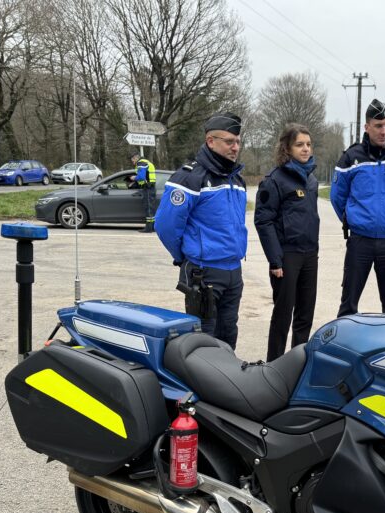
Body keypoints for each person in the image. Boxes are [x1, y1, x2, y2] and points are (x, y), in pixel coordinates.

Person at [154, 112, 247, 350]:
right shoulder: (189, 178)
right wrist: (185, 257)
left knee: (228, 337)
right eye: (229, 142)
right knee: (203, 342)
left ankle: (227, 384)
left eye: (237, 141)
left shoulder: (237, 180)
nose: (235, 147)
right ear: (210, 141)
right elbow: (165, 226)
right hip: (204, 274)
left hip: (233, 272)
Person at [330, 99, 385, 316]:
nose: (384, 131)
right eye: (379, 126)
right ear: (367, 127)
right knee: (348, 305)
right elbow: (337, 196)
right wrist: (353, 219)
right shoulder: (352, 157)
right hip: (359, 241)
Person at [254, 124, 320, 361]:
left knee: (305, 315)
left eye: (308, 144)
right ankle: (274, 366)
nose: (305, 149)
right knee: (283, 315)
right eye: (299, 144)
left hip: (309, 255)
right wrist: (275, 259)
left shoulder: (311, 180)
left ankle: (297, 363)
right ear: (287, 148)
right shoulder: (274, 180)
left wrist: (315, 251)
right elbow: (263, 221)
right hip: (286, 257)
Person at [131, 152, 157, 232]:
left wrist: (134, 178)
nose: (132, 162)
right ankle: (152, 227)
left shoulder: (141, 163)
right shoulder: (147, 162)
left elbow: (141, 177)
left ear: (135, 157)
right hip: (151, 187)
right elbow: (147, 176)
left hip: (148, 188)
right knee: (151, 208)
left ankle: (148, 228)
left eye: (132, 160)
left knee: (148, 208)